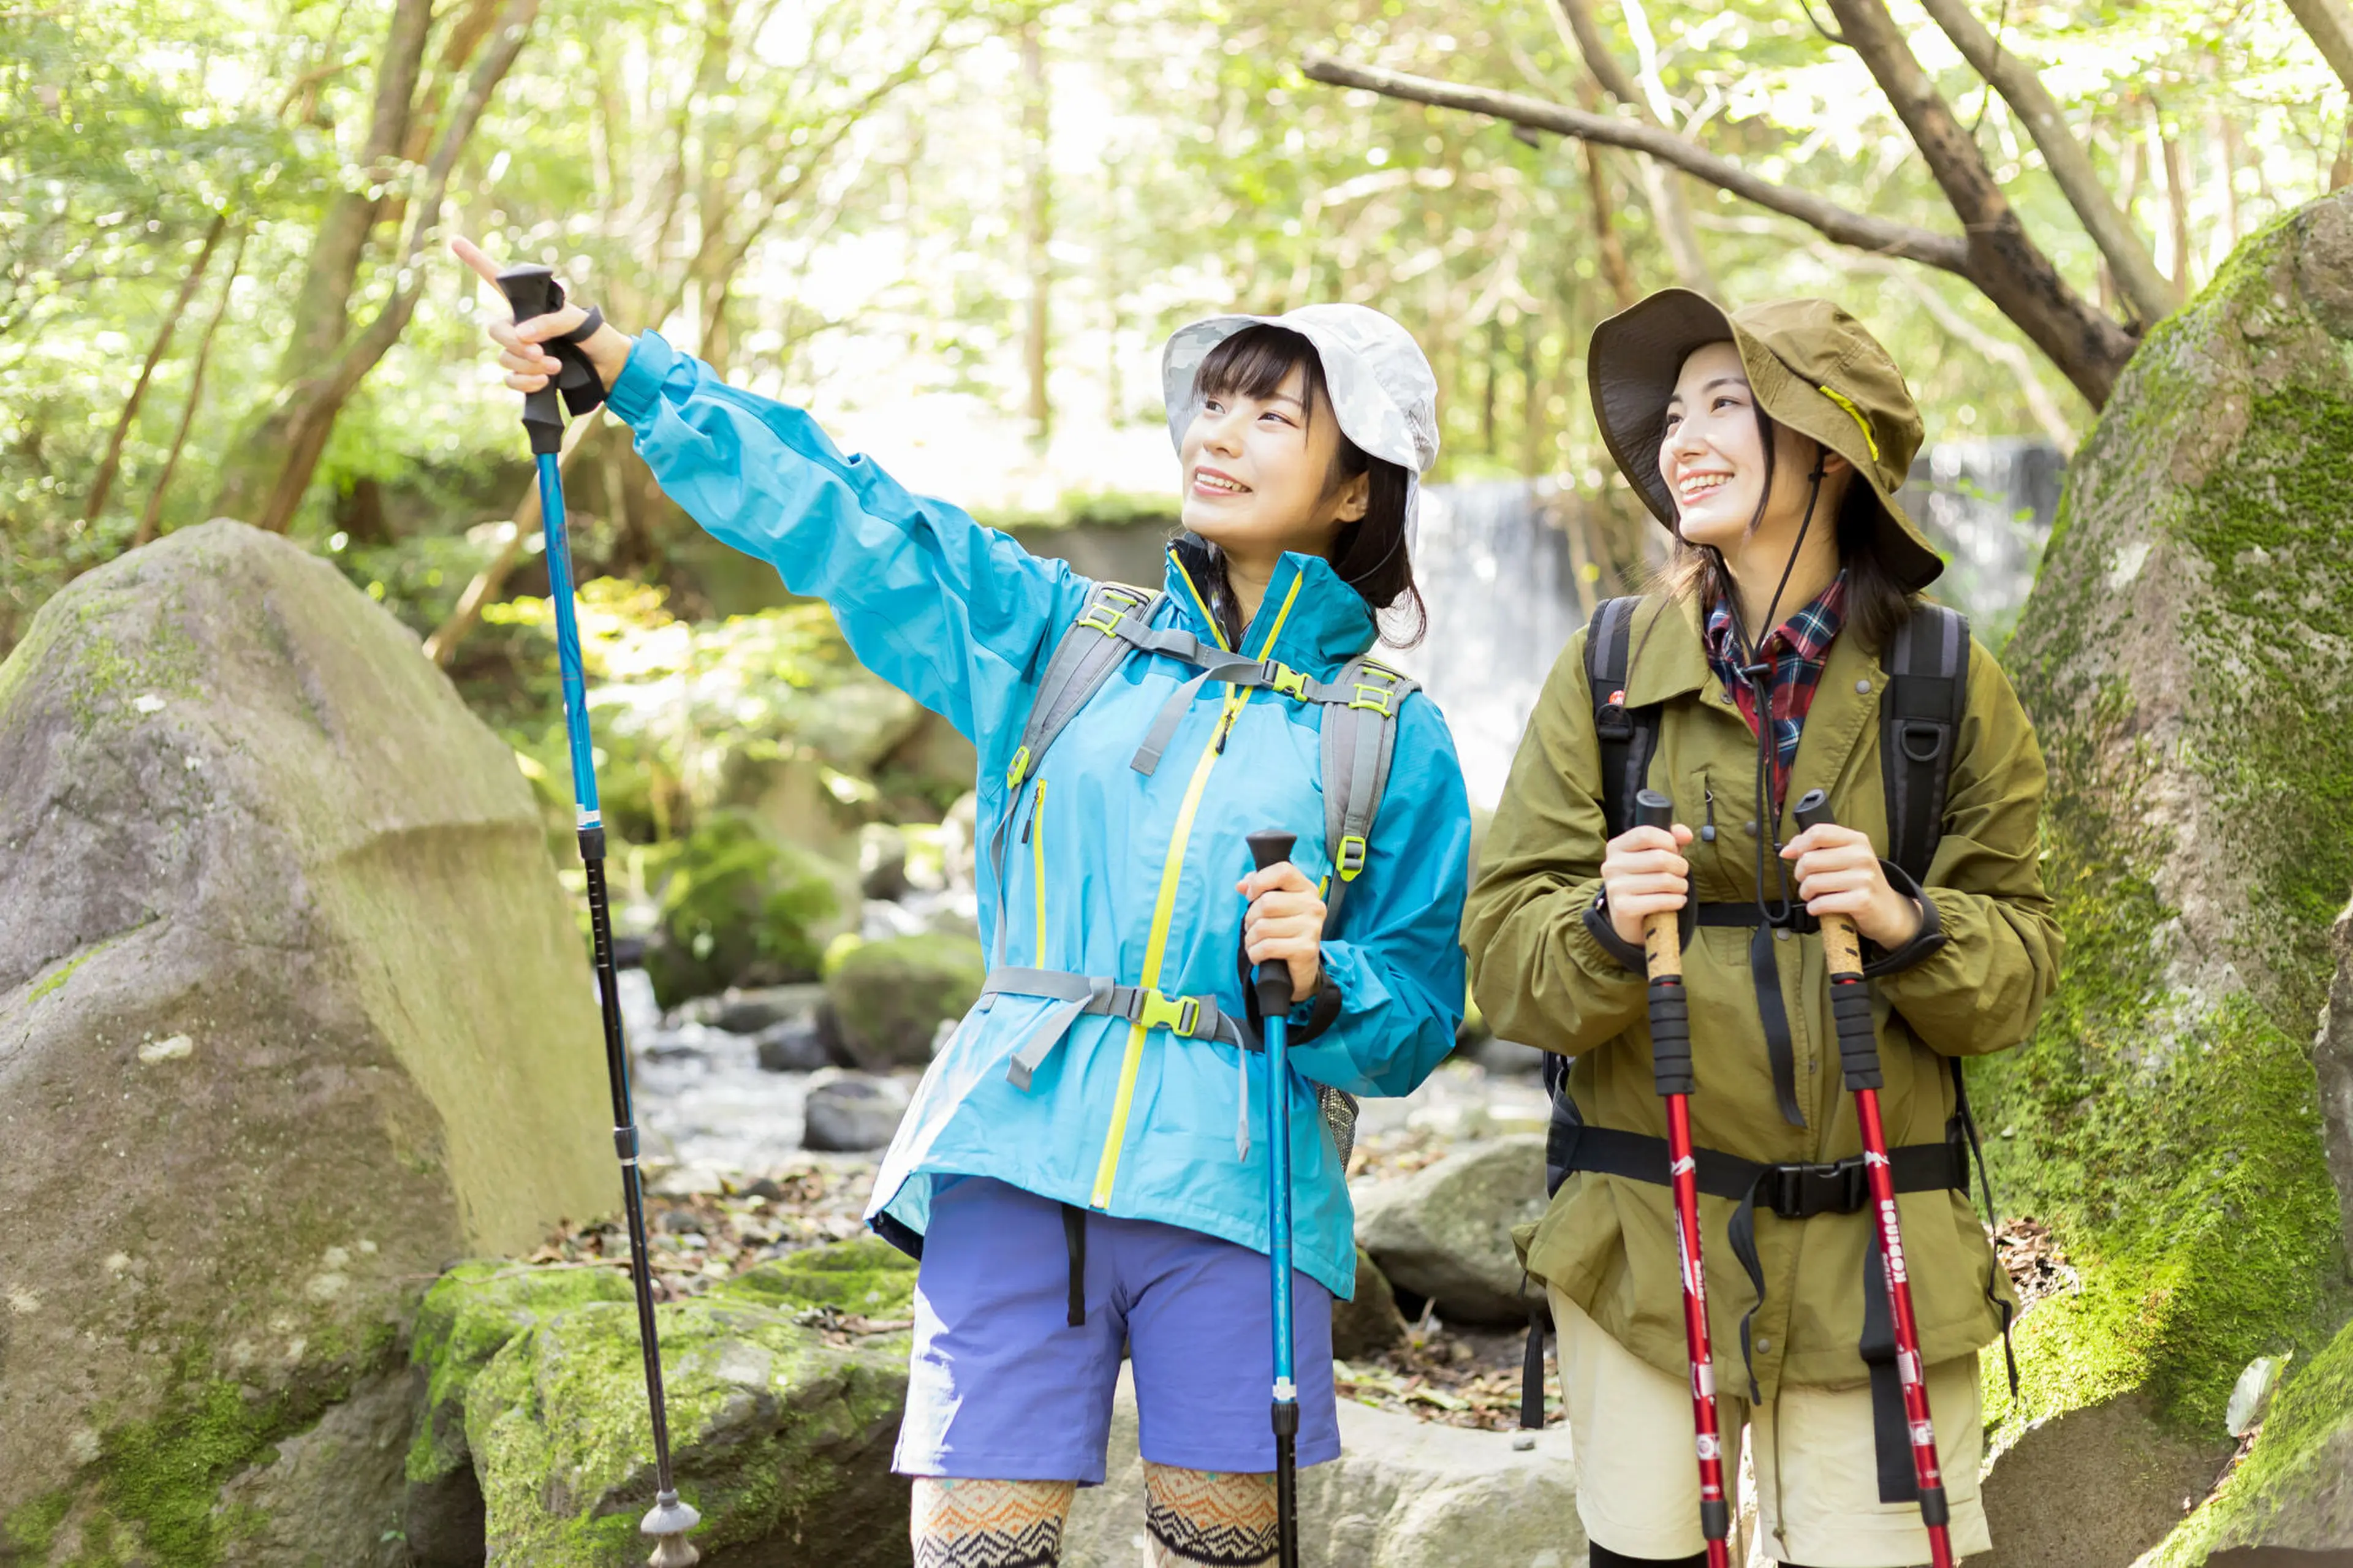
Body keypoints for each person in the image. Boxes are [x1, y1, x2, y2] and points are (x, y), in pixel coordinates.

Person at [457, 239, 1471, 1568]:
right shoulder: (1062, 636)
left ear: (1354, 490)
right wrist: (634, 376)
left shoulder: (1393, 735)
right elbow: (860, 518)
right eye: (1214, 401)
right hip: (1013, 1155)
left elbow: (1414, 1014)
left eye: (1274, 415)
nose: (1218, 434)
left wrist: (1327, 978)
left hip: (1242, 1191)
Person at [1464, 289, 2063, 1568]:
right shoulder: (1610, 674)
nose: (1683, 436)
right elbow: (1505, 965)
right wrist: (1606, 927)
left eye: (1727, 404)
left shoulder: (1948, 686)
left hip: (1882, 1240)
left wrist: (1907, 920)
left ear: (1828, 449)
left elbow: (2014, 983)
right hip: (1644, 1242)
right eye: (1673, 414)